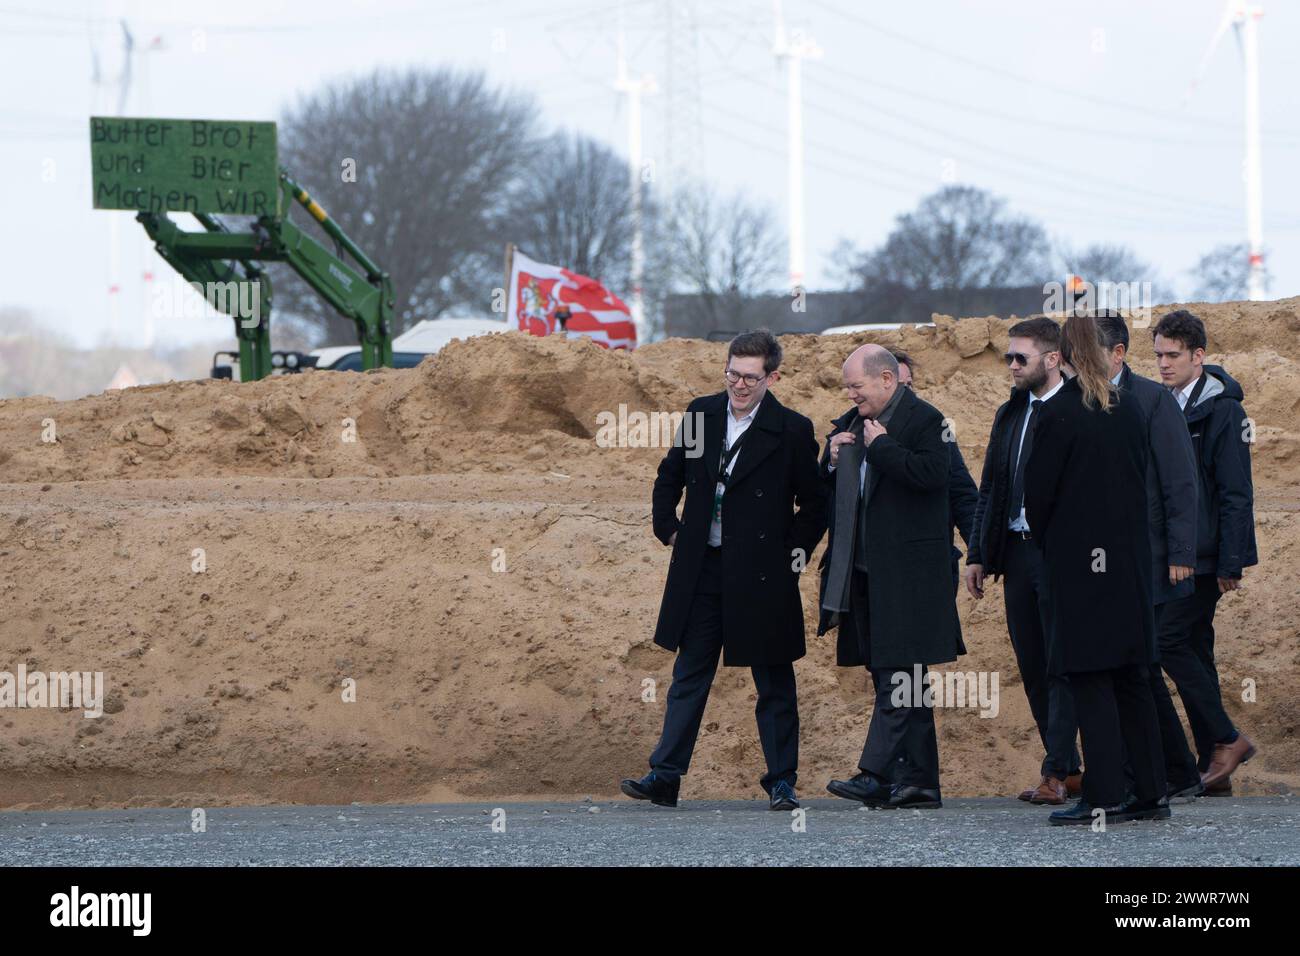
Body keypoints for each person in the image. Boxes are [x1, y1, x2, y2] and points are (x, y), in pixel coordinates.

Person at [621, 330, 827, 810]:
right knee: (689, 673)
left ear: (771, 377)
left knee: (773, 680)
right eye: (733, 373)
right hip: (704, 570)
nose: (738, 384)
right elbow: (670, 473)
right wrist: (668, 529)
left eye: (750, 377)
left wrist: (789, 556)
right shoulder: (702, 413)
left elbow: (815, 504)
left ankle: (781, 781)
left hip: (762, 575)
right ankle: (666, 776)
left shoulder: (792, 429)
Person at [1024, 313, 1170, 825]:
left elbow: (1036, 497)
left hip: (1079, 567)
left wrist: (1053, 545)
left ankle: (1104, 795)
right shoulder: (1130, 407)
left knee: (1090, 677)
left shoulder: (1057, 412)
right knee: (1132, 674)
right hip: (1128, 562)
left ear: (1060, 356)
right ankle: (1152, 793)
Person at [818, 345, 964, 809]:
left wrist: (882, 449)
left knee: (901, 673)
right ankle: (919, 782)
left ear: (886, 380)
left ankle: (874, 773)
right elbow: (841, 493)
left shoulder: (926, 419)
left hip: (911, 575)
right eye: (848, 387)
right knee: (897, 675)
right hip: (865, 572)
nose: (851, 394)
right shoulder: (852, 421)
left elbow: (934, 474)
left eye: (856, 386)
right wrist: (831, 459)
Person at [965, 318, 1082, 805]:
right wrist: (976, 554)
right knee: (1033, 663)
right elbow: (991, 486)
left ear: (1052, 359)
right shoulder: (1009, 413)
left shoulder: (1081, 410)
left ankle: (1057, 772)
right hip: (1016, 555)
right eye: (1008, 358)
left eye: (1021, 358)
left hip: (1063, 557)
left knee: (1062, 663)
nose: (1011, 366)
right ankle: (1068, 768)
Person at [1095, 312, 1203, 801]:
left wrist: (1182, 551)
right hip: (1106, 560)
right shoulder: (1085, 399)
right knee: (1135, 664)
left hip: (1152, 557)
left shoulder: (1153, 399)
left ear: (1118, 353)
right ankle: (1169, 769)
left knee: (1142, 663)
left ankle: (1172, 770)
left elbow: (1181, 479)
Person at [1150, 310, 1259, 794]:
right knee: (1195, 649)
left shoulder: (1224, 411)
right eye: (1157, 356)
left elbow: (1236, 491)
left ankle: (1227, 738)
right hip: (1173, 552)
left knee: (1167, 641)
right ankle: (1210, 766)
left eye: (1173, 355)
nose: (1163, 365)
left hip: (1205, 556)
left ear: (1199, 356)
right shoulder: (1162, 404)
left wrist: (1232, 561)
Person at [892, 349, 978, 594]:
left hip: (932, 567)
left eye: (910, 385)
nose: (907, 394)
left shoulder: (934, 427)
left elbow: (961, 491)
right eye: (899, 386)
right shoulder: (853, 430)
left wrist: (978, 550)